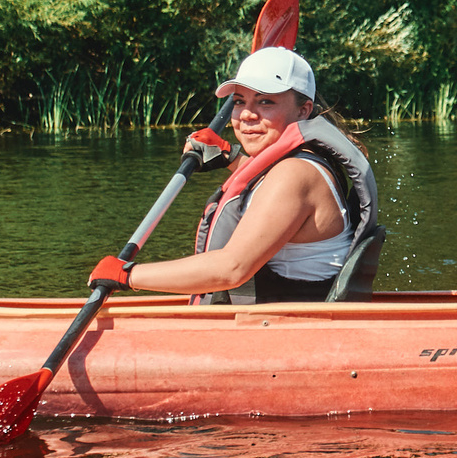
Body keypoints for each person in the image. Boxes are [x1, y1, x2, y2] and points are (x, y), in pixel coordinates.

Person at [92, 47, 380, 304]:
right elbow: (268, 187)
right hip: (278, 322)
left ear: (303, 110)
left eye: (265, 102)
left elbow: (232, 269)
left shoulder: (296, 174)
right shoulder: (305, 162)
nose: (246, 115)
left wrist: (128, 275)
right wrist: (231, 157)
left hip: (288, 333)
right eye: (240, 101)